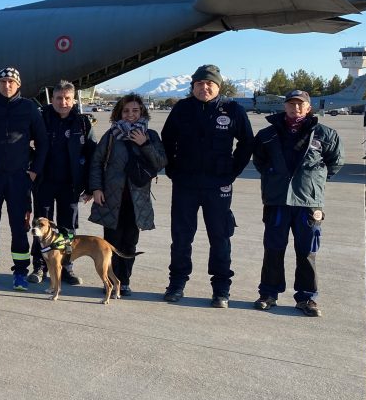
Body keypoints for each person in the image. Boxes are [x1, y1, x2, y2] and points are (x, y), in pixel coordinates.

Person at [160, 64, 254, 307]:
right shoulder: (182, 109)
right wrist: (173, 169)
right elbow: (167, 141)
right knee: (181, 236)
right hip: (186, 184)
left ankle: (221, 289)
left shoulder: (233, 109)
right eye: (199, 84)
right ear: (192, 87)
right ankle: (177, 283)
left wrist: (232, 171)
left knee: (220, 237)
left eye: (209, 83)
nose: (204, 87)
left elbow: (246, 143)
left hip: (218, 185)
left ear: (218, 86)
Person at [252, 90, 342, 316]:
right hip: (278, 202)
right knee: (273, 249)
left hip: (308, 204)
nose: (296, 109)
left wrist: (311, 183)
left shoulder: (325, 134)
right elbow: (260, 161)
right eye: (291, 104)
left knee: (307, 252)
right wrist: (276, 180)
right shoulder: (268, 134)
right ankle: (268, 293)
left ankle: (307, 298)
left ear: (309, 108)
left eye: (301, 105)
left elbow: (334, 163)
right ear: (285, 107)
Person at [0, 67, 49, 290]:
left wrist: (34, 171)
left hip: (18, 179)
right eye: (3, 81)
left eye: (11, 82)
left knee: (19, 227)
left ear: (19, 85)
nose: (7, 85)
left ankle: (20, 272)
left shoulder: (29, 108)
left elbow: (42, 142)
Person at [87, 94, 167, 294]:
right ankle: (111, 281)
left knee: (130, 242)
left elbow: (160, 163)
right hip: (112, 199)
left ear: (142, 112)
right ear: (119, 113)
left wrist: (144, 144)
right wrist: (96, 188)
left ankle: (125, 281)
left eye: (135, 111)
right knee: (111, 243)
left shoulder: (151, 135)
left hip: (137, 200)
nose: (130, 115)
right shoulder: (111, 135)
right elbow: (96, 162)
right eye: (126, 111)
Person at [30, 80, 97, 285]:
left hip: (70, 185)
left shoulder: (83, 123)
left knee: (68, 229)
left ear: (74, 99)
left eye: (67, 98)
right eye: (59, 98)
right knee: (41, 227)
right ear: (53, 98)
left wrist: (90, 186)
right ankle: (39, 266)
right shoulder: (41, 118)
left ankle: (66, 266)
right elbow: (24, 143)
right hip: (45, 183)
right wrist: (31, 168)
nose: (63, 102)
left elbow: (93, 155)